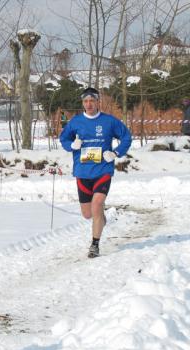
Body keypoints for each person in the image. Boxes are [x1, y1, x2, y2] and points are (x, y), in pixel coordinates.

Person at [59, 87, 132, 258]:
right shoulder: (76, 122)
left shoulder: (109, 121)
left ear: (98, 101)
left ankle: (95, 245)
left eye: (92, 100)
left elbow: (126, 137)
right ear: (82, 103)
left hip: (103, 170)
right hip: (83, 172)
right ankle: (101, 218)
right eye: (85, 101)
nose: (89, 104)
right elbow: (64, 138)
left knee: (97, 204)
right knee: (88, 214)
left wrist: (115, 153)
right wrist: (71, 145)